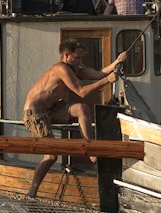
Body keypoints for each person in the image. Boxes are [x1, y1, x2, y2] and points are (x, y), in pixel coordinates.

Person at [22, 40, 128, 197]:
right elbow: (82, 91)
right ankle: (32, 192)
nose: (80, 62)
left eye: (81, 58)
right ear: (66, 55)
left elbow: (97, 74)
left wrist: (117, 62)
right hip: (35, 113)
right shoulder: (60, 68)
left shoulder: (74, 68)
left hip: (51, 109)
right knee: (51, 156)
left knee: (81, 108)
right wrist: (107, 81)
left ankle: (90, 149)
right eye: (77, 57)